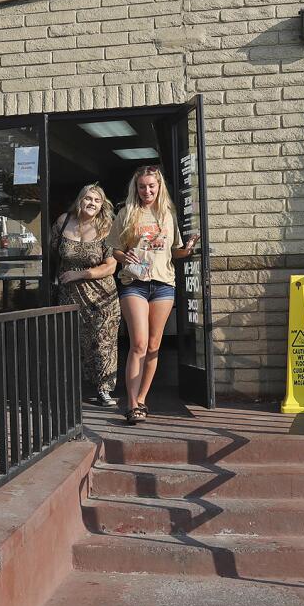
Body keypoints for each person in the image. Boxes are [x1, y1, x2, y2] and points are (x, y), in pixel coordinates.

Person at [107, 165, 199, 424]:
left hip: (163, 284)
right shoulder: (126, 214)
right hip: (134, 282)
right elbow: (114, 248)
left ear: (159, 188)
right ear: (135, 189)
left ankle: (143, 400)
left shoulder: (168, 215)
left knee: (154, 345)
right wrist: (124, 256)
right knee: (138, 343)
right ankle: (131, 402)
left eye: (151, 186)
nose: (146, 191)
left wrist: (188, 249)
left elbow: (175, 251)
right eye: (142, 186)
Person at [52, 183, 120, 407]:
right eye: (88, 198)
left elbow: (111, 266)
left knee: (103, 342)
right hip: (69, 295)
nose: (92, 203)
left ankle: (103, 390)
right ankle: (71, 389)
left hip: (101, 297)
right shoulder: (63, 222)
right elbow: (52, 254)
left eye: (97, 200)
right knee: (72, 343)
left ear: (102, 205)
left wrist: (79, 274)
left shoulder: (107, 227)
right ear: (80, 200)